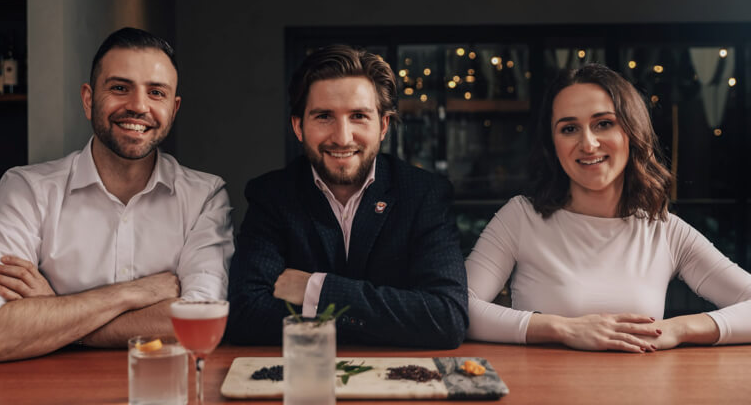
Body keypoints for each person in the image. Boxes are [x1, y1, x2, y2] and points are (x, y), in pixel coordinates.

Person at [0, 28, 234, 365]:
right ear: (88, 99)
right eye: (119, 88)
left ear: (173, 109)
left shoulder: (205, 196)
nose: (138, 106)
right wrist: (134, 293)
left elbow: (198, 324)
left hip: (165, 391)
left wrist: (54, 309)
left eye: (156, 92)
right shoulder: (26, 190)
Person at [465, 63, 751, 352]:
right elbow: (456, 307)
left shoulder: (664, 230)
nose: (588, 144)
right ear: (553, 144)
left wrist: (679, 328)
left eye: (604, 123)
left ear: (631, 131)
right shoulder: (520, 218)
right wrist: (562, 328)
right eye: (569, 128)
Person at [227, 45, 467, 348]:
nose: (342, 137)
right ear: (299, 127)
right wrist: (391, 318)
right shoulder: (272, 196)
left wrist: (317, 290)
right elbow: (245, 316)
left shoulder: (423, 194)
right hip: (304, 380)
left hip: (398, 384)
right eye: (324, 116)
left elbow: (445, 319)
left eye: (358, 116)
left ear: (383, 125)